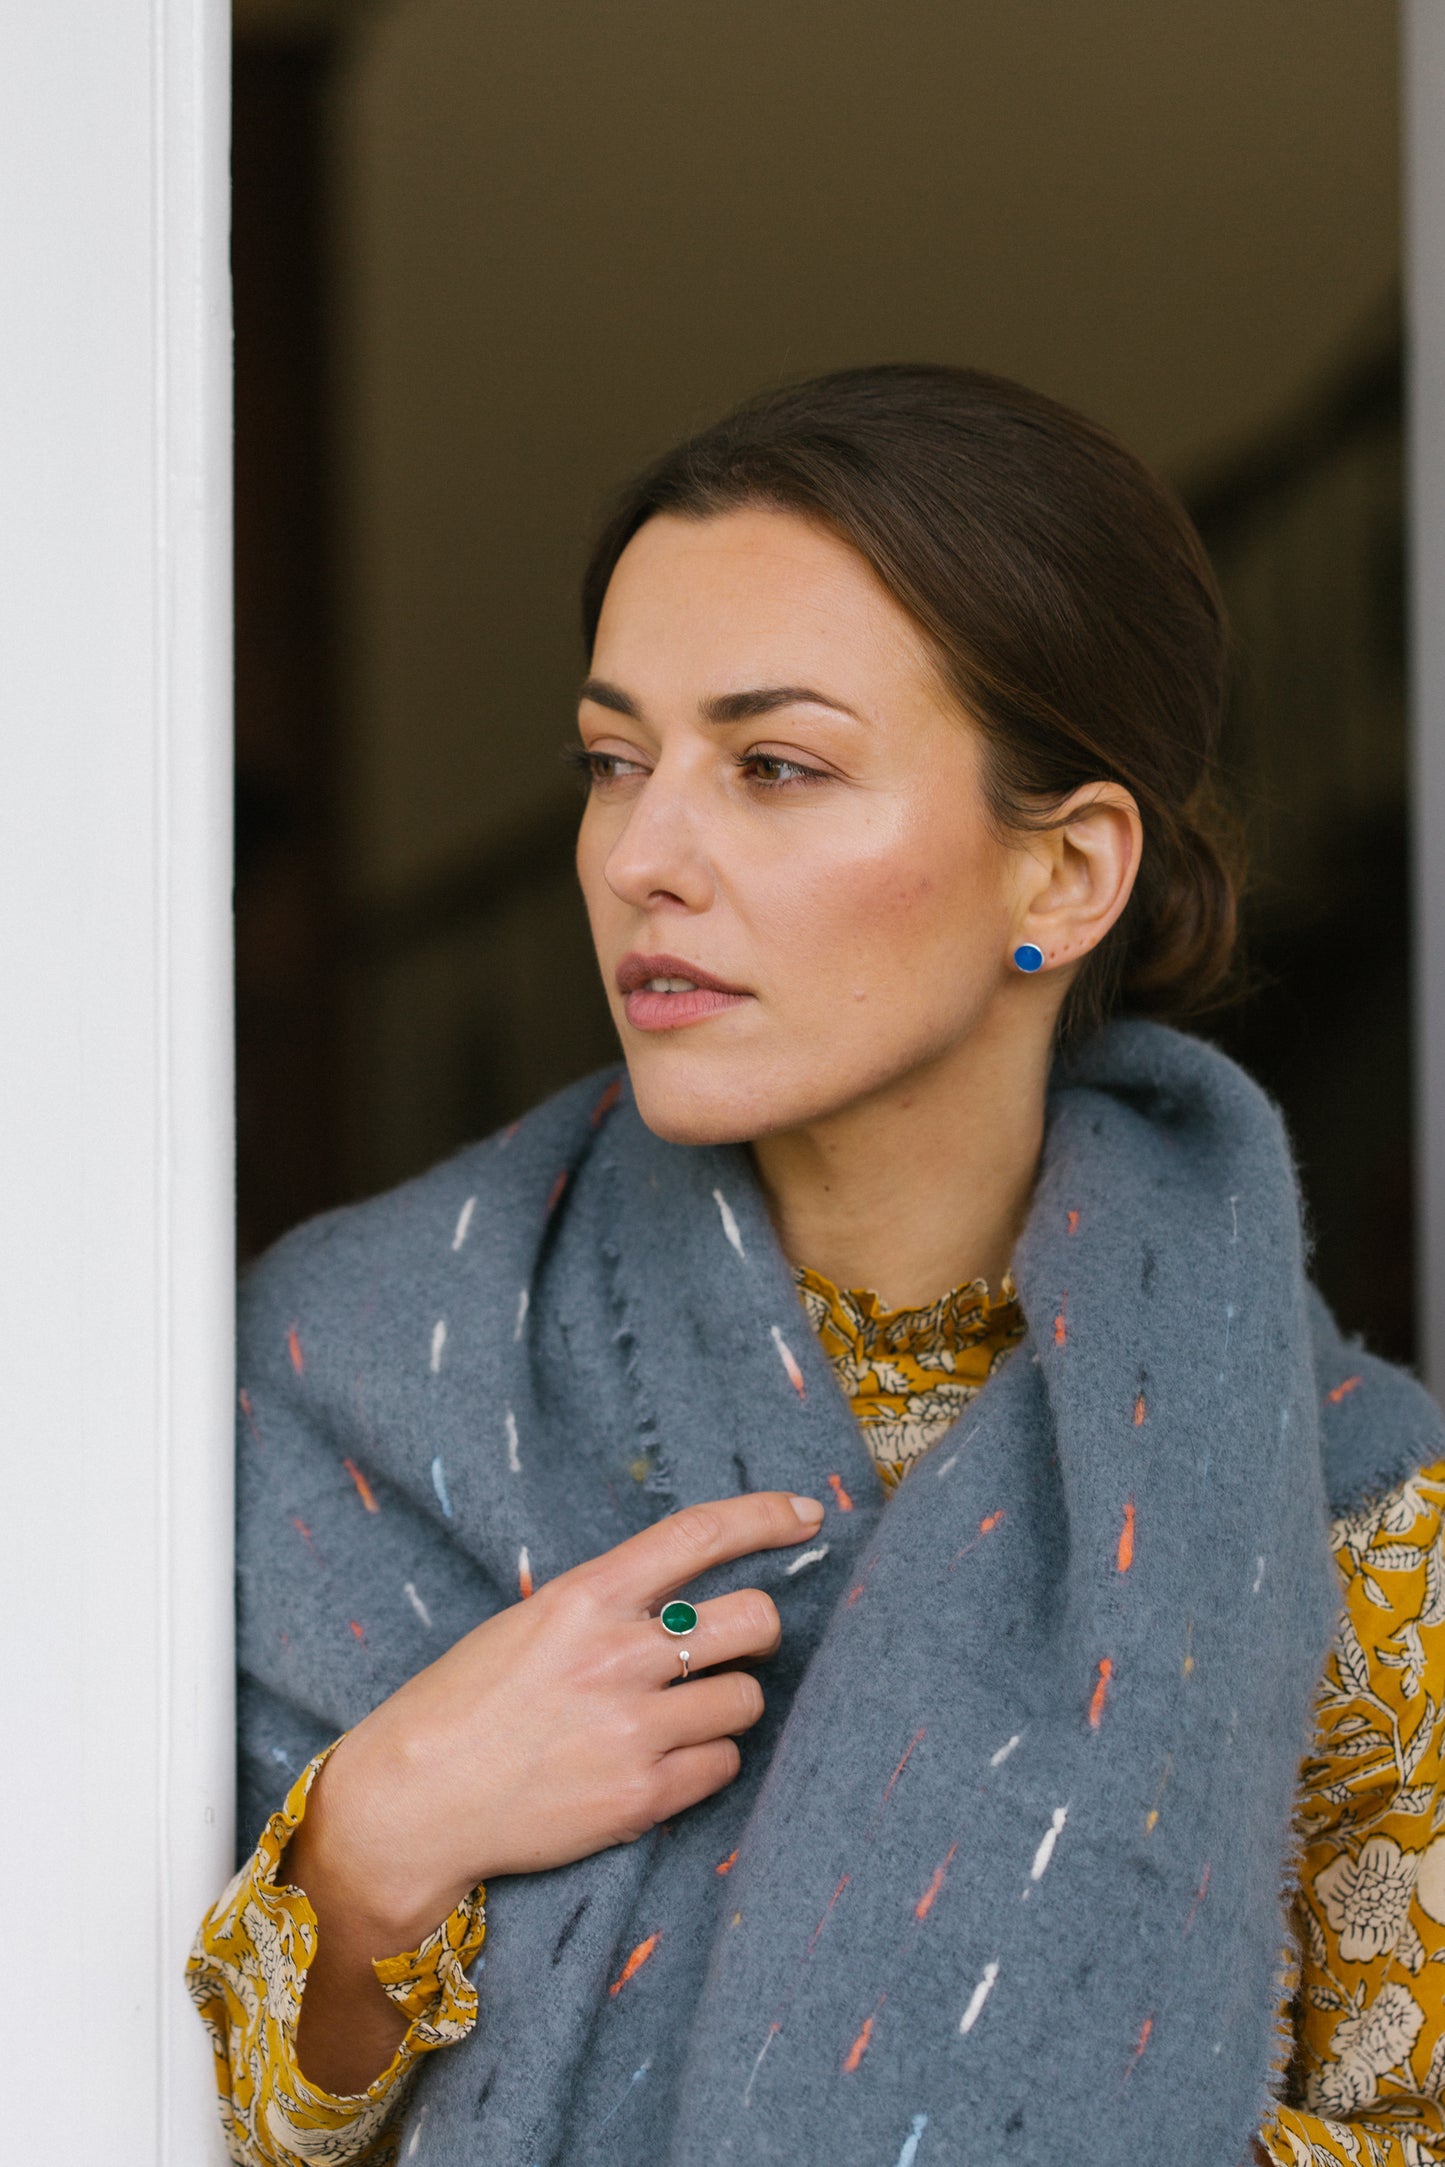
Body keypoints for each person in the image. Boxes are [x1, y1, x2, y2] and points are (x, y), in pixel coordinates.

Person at [189, 366, 1445, 2167]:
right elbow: (138, 2102)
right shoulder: (355, 1390)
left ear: (1067, 873)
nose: (643, 856)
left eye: (774, 767)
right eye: (614, 762)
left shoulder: (1328, 1511)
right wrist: (372, 1846)